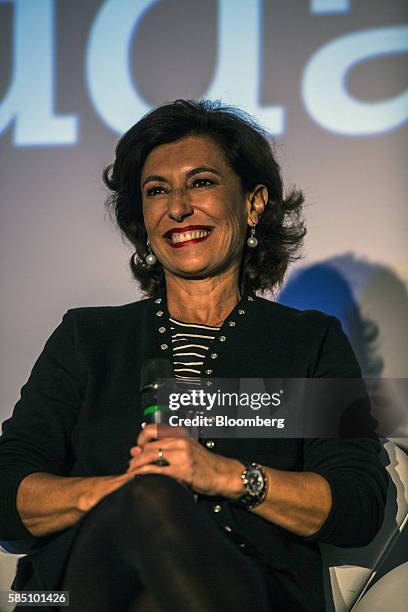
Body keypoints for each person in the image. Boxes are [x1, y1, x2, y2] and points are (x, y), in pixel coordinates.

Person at [0, 99, 388, 612]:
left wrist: (224, 475)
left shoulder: (305, 342)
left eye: (201, 182)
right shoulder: (88, 337)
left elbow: (357, 503)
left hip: (248, 591)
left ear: (253, 204)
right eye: (156, 191)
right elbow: (7, 487)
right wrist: (122, 496)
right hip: (77, 590)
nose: (177, 208)